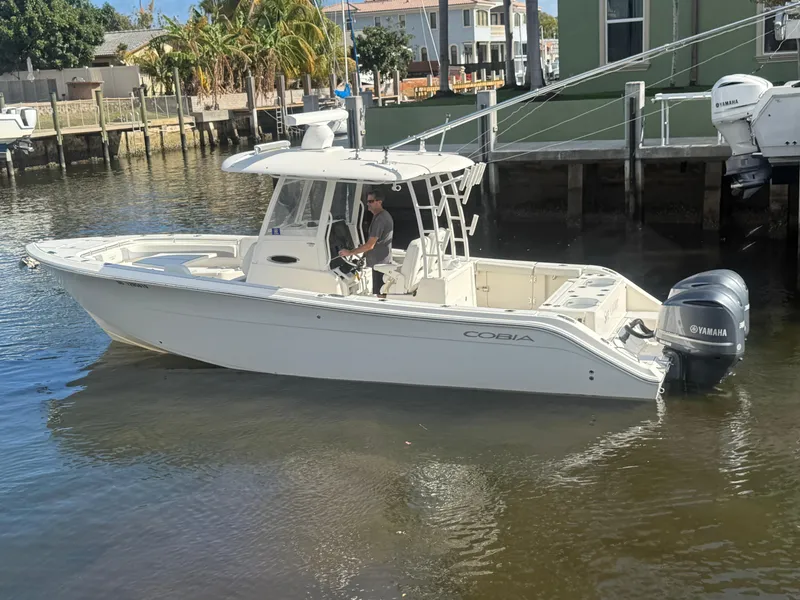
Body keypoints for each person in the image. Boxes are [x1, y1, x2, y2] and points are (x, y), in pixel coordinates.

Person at [339, 189, 393, 297]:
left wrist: (349, 252)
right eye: (367, 201)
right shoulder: (380, 216)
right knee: (381, 291)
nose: (368, 204)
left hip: (380, 263)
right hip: (381, 260)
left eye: (371, 201)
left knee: (381, 294)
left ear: (379, 202)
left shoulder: (380, 220)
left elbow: (370, 245)